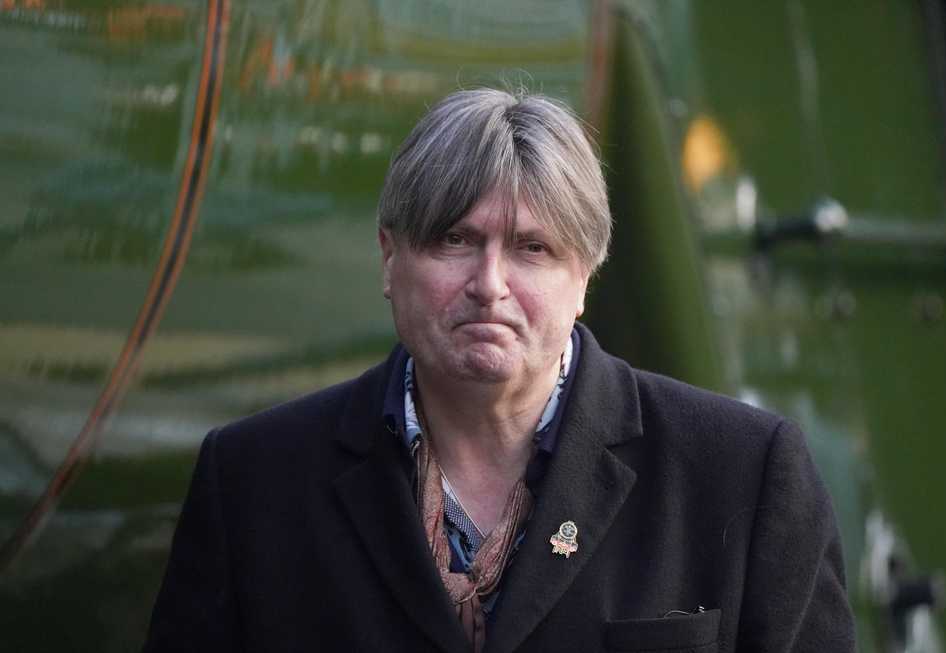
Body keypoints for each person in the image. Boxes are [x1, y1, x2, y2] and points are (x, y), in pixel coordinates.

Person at [144, 89, 855, 652]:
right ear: (389, 259)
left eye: (532, 248)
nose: (490, 284)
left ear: (585, 275)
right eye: (455, 239)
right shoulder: (252, 481)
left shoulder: (742, 473)